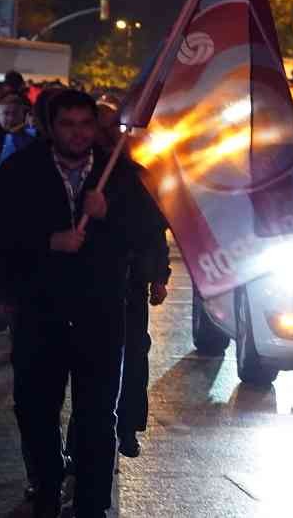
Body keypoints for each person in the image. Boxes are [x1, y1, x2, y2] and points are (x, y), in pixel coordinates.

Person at [0, 88, 164, 518]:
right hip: (41, 313)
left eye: (86, 124)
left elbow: (147, 232)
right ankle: (47, 486)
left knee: (96, 418)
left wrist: (110, 216)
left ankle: (92, 503)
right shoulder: (21, 171)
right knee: (35, 410)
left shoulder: (118, 175)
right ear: (51, 127)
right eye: (68, 124)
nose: (78, 133)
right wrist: (47, 244)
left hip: (100, 315)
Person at [96, 104, 169, 459]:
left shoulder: (137, 178)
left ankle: (125, 426)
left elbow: (155, 231)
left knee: (134, 354)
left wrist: (159, 275)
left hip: (129, 283)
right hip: (90, 285)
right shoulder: (86, 176)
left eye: (113, 127)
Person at [0, 92, 36, 333]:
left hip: (24, 216)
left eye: (14, 113)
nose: (9, 118)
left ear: (24, 113)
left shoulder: (32, 143)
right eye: (5, 113)